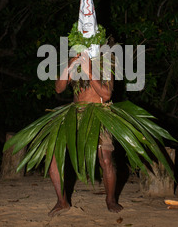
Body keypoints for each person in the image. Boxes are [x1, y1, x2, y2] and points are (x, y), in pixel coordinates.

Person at [48, 50, 123, 216]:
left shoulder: (106, 63)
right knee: (54, 154)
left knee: (105, 158)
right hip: (75, 114)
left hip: (99, 113)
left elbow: (106, 94)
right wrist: (70, 66)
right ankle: (62, 202)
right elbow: (59, 88)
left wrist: (89, 70)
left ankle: (110, 200)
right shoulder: (74, 61)